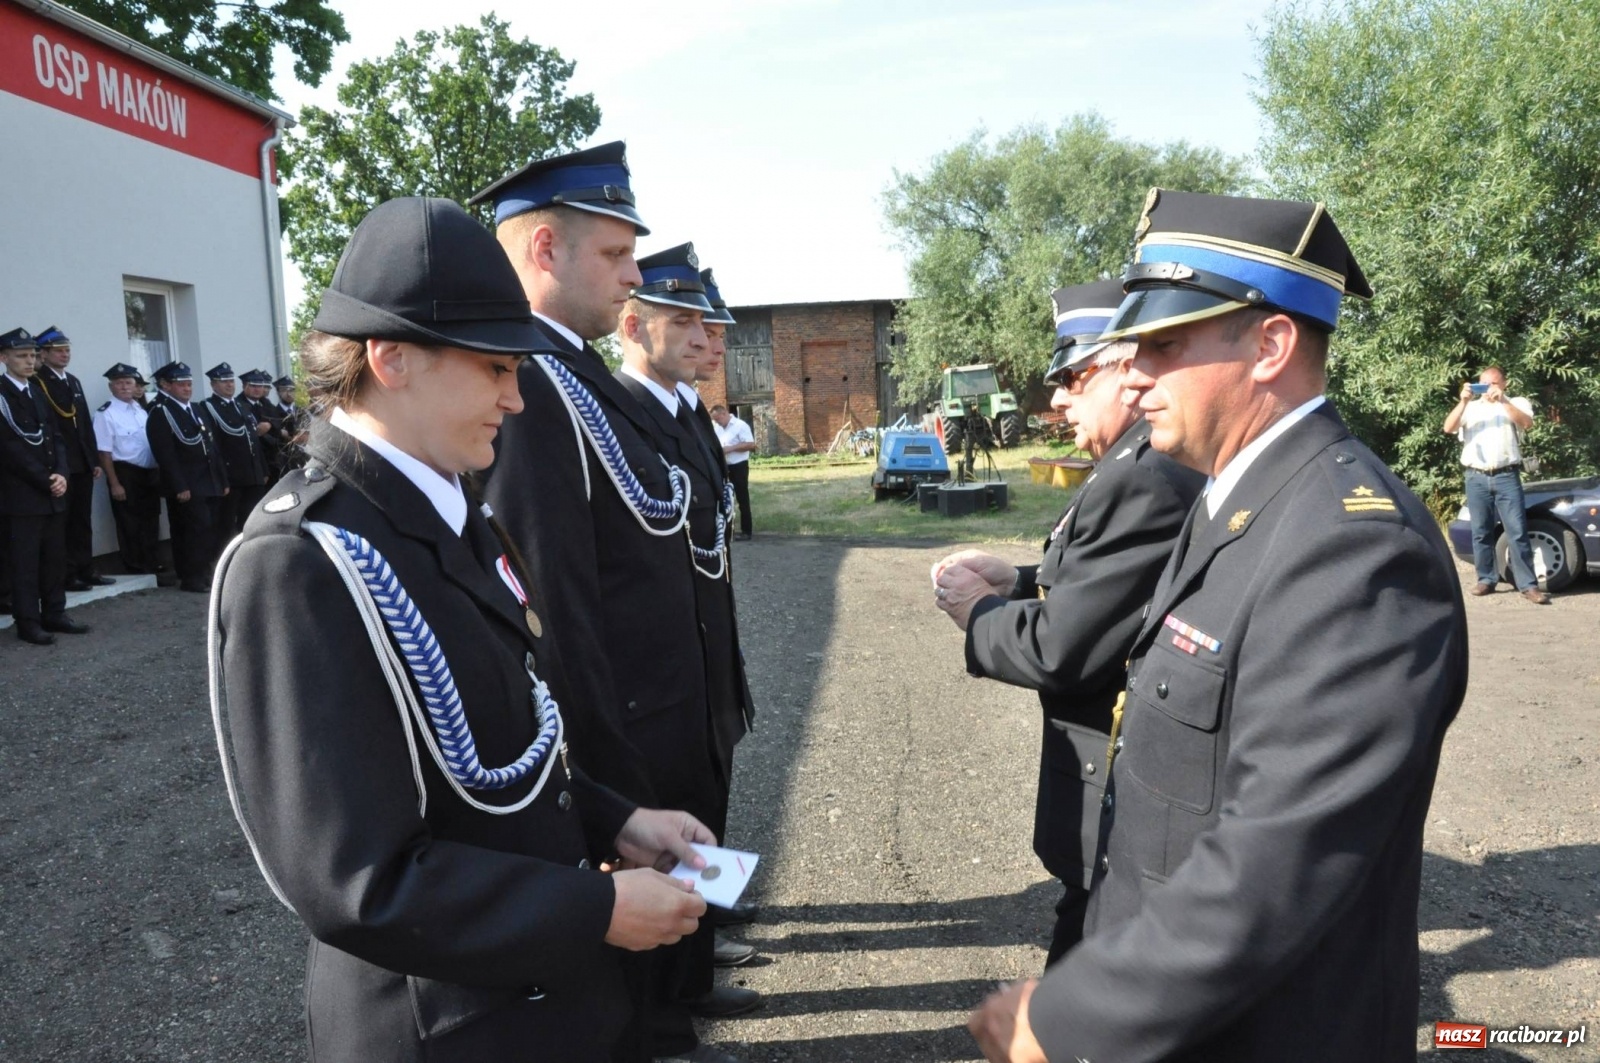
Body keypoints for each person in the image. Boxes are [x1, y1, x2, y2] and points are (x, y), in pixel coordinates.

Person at [210, 196, 713, 1063]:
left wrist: (615, 819)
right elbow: (359, 879)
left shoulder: (447, 503)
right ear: (391, 357)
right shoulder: (300, 560)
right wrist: (593, 909)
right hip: (446, 1028)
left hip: (542, 997)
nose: (517, 400)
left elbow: (496, 742)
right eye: (493, 369)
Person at [969, 190, 1469, 1063]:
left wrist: (1075, 1012)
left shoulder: (1352, 547)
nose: (1133, 374)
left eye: (1165, 345)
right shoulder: (1233, 500)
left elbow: (1277, 861)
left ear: (1272, 344)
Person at [472, 146, 760, 1063]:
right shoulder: (533, 385)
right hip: (623, 728)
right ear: (546, 247)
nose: (633, 277)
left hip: (666, 707)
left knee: (667, 921)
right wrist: (602, 780)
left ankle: (668, 1018)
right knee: (625, 954)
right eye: (615, 256)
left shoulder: (579, 375)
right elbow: (555, 602)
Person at [932, 279, 1205, 965]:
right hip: (1115, 769)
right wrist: (1019, 579)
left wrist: (978, 615)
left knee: (1087, 968)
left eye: (1075, 376)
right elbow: (1114, 587)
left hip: (1119, 774)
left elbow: (1063, 648)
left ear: (1124, 367)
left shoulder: (1143, 473)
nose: (1057, 397)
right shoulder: (1130, 461)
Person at [1, 327, 87, 644]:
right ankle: (28, 621)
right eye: (22, 356)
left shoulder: (36, 391)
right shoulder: (2, 395)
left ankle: (55, 612)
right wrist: (44, 479)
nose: (29, 361)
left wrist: (62, 473)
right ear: (3, 357)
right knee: (25, 563)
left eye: (33, 355)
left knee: (54, 557)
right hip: (22, 494)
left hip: (52, 490)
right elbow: (9, 447)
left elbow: (55, 438)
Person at [1442, 366, 1548, 603]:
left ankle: (1528, 585)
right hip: (1476, 477)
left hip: (1506, 476)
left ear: (1504, 384)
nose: (1488, 389)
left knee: (1517, 531)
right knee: (1480, 532)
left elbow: (1527, 423)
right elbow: (1448, 428)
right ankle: (1486, 579)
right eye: (1483, 384)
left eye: (1493, 384)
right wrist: (1463, 401)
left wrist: (1503, 401)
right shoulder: (1471, 407)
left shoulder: (1515, 401)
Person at [34, 327, 112, 589]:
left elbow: (84, 427)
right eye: (58, 350)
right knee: (62, 524)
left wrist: (93, 461)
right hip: (60, 465)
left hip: (80, 463)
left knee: (82, 520)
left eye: (67, 350)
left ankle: (85, 568)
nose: (65, 354)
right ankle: (66, 575)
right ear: (43, 354)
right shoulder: (38, 381)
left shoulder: (73, 381)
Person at [146, 361, 227, 592]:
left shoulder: (196, 409)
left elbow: (212, 446)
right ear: (166, 385)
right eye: (181, 384)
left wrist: (221, 480)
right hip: (188, 484)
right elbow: (165, 454)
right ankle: (192, 577)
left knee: (209, 529)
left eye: (189, 384)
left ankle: (203, 573)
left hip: (208, 480)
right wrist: (179, 485)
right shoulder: (162, 412)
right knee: (193, 531)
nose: (187, 389)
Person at [93, 363, 163, 574]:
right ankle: (135, 565)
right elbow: (104, 452)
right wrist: (114, 483)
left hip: (148, 473)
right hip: (125, 473)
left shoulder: (140, 410)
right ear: (111, 387)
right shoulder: (106, 414)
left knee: (151, 520)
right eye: (119, 383)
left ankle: (151, 562)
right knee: (129, 523)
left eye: (128, 383)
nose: (124, 387)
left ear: (135, 386)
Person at [201, 362, 270, 540]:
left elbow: (253, 440)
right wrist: (221, 478)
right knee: (226, 525)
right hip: (232, 476)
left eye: (231, 381)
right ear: (213, 385)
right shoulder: (209, 407)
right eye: (223, 381)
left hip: (252, 475)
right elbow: (214, 446)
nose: (229, 384)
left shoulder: (241, 406)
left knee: (252, 521)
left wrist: (262, 469)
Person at [710, 405, 754, 539]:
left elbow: (751, 445)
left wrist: (730, 449)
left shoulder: (740, 425)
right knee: (725, 498)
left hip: (739, 466)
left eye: (717, 419)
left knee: (742, 498)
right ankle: (727, 529)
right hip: (724, 466)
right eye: (715, 420)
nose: (717, 422)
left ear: (724, 413)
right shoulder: (718, 428)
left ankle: (746, 531)